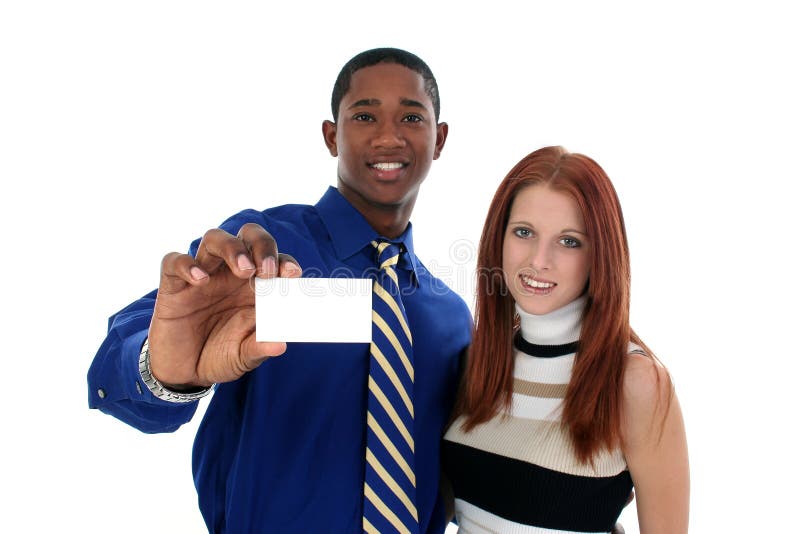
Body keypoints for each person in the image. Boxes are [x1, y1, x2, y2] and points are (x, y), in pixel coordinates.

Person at [88, 48, 472, 533]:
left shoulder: (452, 318)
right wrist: (165, 373)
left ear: (439, 139)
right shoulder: (258, 253)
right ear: (332, 136)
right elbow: (117, 374)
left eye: (411, 116)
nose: (389, 134)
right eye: (364, 114)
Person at [442, 146, 689, 533]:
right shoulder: (483, 360)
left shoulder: (636, 382)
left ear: (601, 255)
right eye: (524, 232)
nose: (539, 260)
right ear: (499, 238)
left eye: (569, 241)